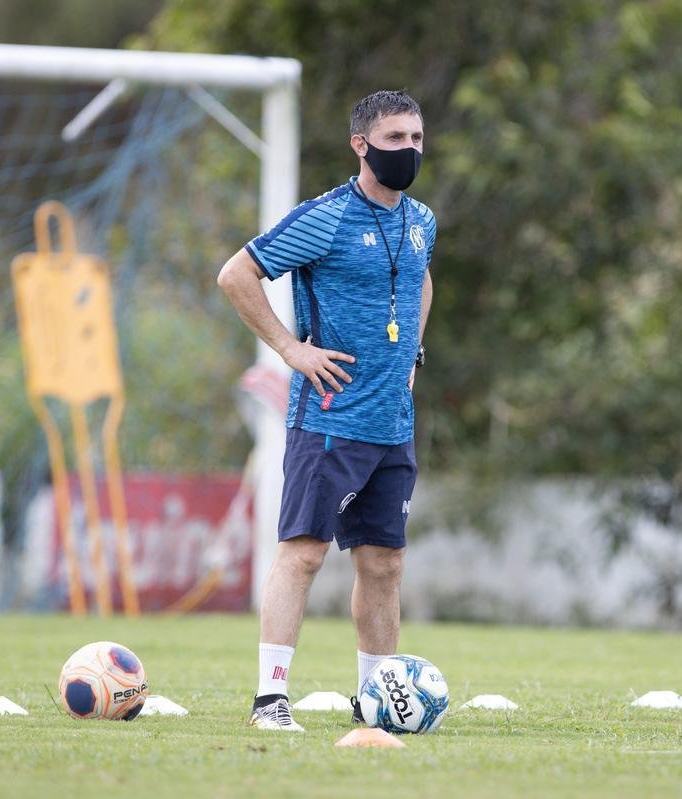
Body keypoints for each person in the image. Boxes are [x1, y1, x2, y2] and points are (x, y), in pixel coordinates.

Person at [216, 90, 435, 732]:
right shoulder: (326, 218)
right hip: (329, 422)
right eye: (395, 140)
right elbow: (236, 274)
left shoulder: (422, 219)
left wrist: (413, 356)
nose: (410, 151)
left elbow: (421, 277)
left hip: (392, 426)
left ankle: (376, 700)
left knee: (384, 564)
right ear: (361, 146)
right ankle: (270, 700)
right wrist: (291, 350)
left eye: (417, 138)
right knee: (304, 553)